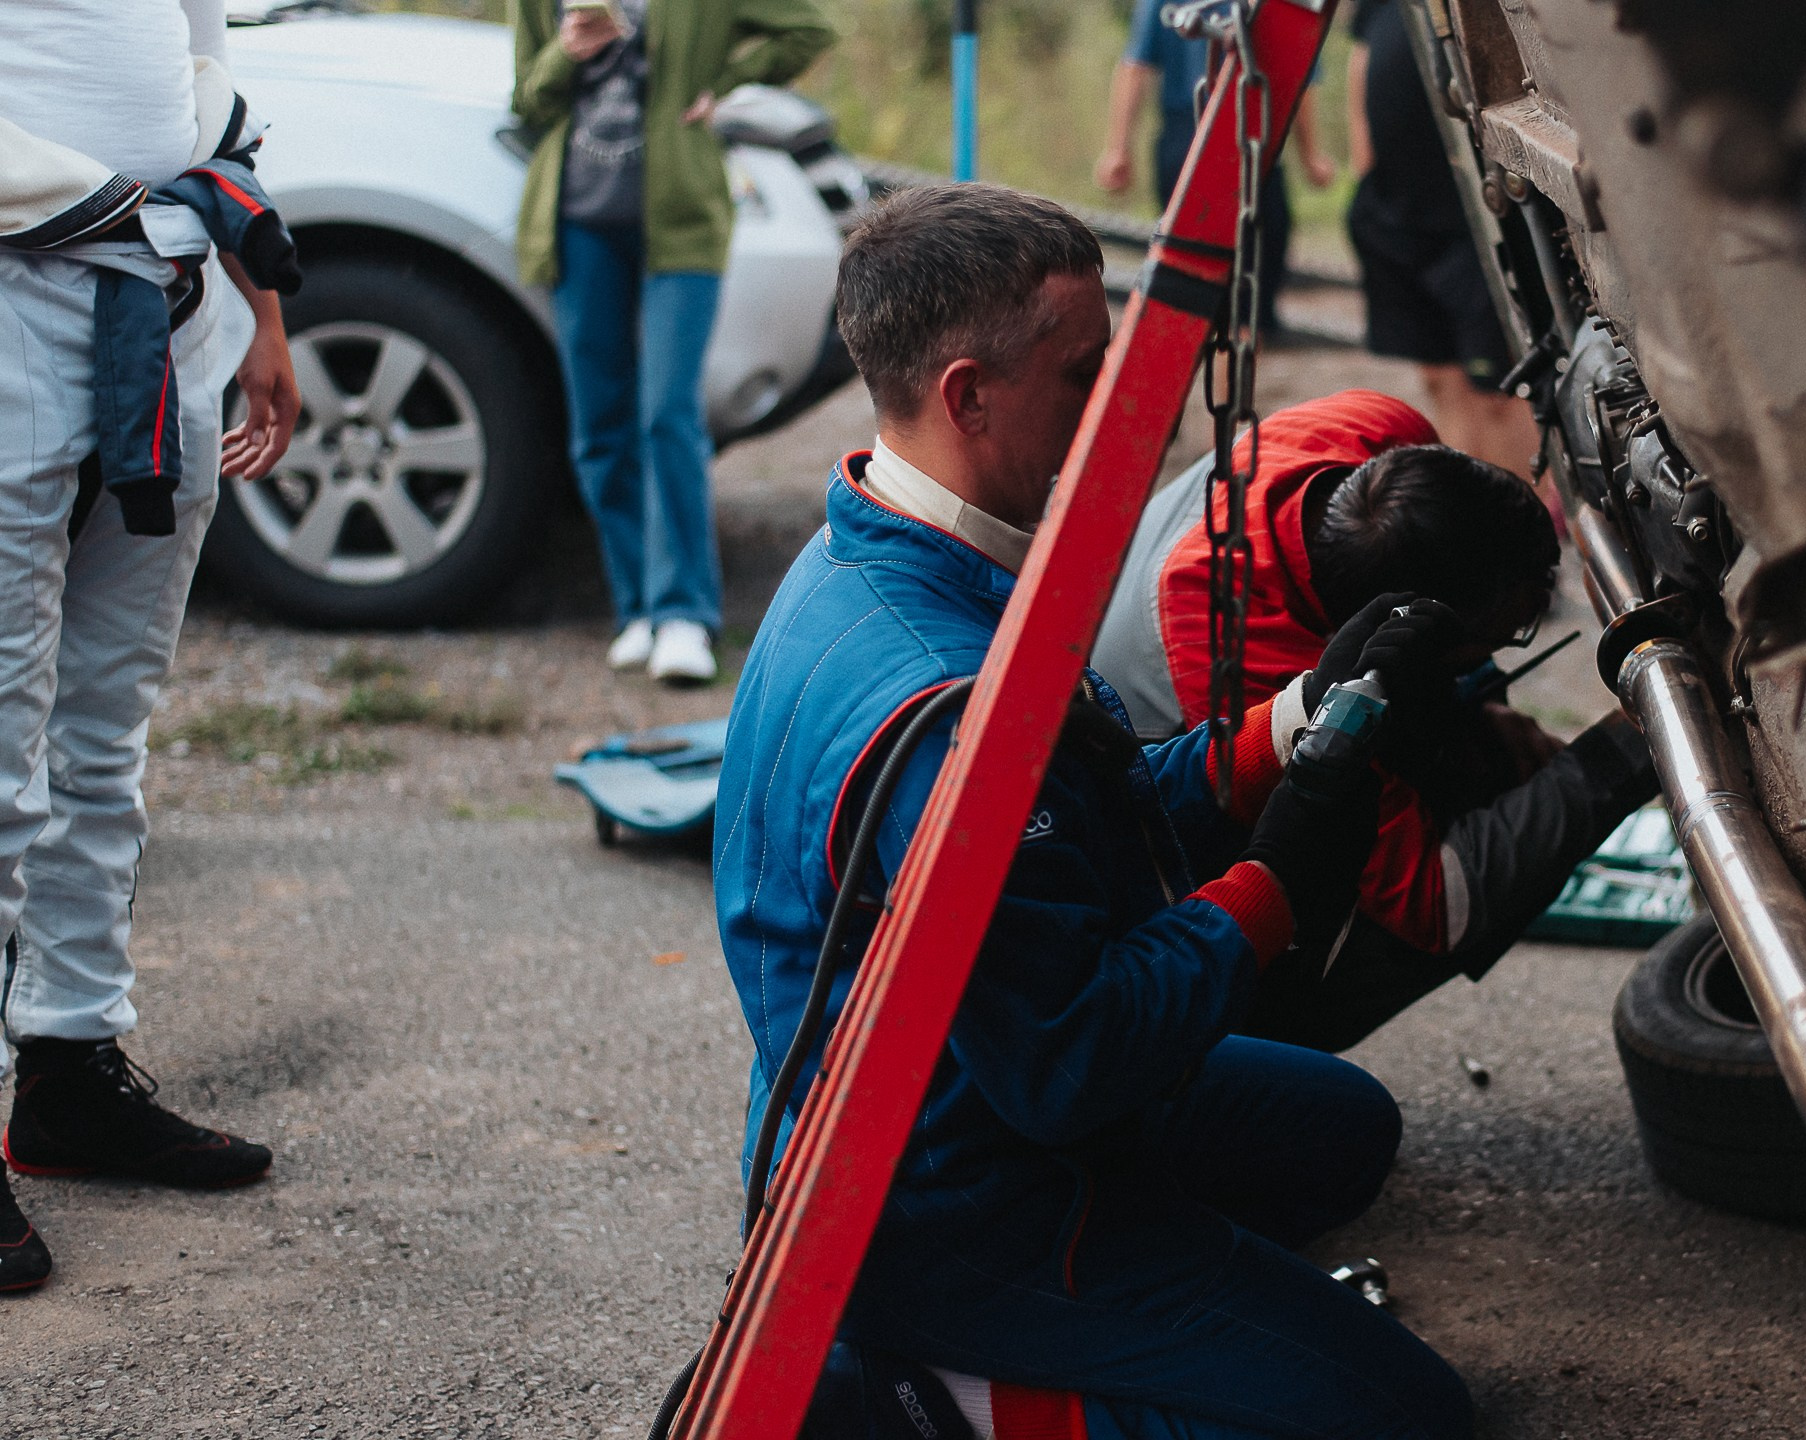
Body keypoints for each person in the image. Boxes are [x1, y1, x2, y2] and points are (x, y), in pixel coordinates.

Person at [715, 184, 1473, 1439]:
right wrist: (1275, 888)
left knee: (1340, 1130)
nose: (1132, 410)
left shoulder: (887, 550)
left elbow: (1081, 809)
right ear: (967, 395)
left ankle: (1147, 1323)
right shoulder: (945, 706)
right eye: (1085, 376)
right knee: (1408, 1418)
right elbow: (1067, 1065)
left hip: (923, 1102)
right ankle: (926, 1401)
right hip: (955, 1198)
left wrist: (1290, 726)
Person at [0, 0, 304, 1294]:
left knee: (104, 732)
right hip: (14, 300)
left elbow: (204, 68)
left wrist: (261, 311)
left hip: (171, 308)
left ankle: (69, 1073)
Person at [1091, 389, 1661, 1051]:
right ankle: (1254, 1044)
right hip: (1139, 874)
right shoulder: (1241, 660)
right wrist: (1631, 741)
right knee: (1464, 837)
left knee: (1485, 756)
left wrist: (1481, 709)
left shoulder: (1375, 429)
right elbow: (1437, 905)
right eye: (1509, 631)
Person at [510, 0, 834, 684]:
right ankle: (637, 608)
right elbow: (527, 103)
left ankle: (684, 612)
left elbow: (808, 29)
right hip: (577, 224)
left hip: (682, 221)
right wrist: (566, 52)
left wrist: (723, 85)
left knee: (667, 412)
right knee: (599, 425)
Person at [1344, 0, 1541, 481]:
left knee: (1500, 391)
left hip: (1475, 219)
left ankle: (1521, 512)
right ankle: (1468, 503)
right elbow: (1363, 57)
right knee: (1440, 378)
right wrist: (1365, 165)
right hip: (1398, 211)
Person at [1095, 0, 1334, 332]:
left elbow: (1136, 66)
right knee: (1233, 280)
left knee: (1203, 275)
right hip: (1225, 136)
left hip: (1205, 138)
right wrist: (1310, 157)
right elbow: (1299, 78)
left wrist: (1119, 149)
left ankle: (1223, 344)